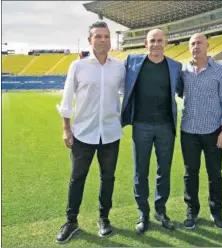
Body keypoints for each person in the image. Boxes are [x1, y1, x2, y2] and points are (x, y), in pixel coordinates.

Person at [55, 21, 125, 243]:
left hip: (111, 133)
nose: (103, 40)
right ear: (90, 40)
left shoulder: (120, 67)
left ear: (110, 39)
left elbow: (128, 93)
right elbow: (66, 100)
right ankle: (71, 221)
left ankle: (104, 219)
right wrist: (66, 129)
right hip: (83, 133)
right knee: (77, 178)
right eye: (98, 36)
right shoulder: (78, 66)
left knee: (108, 178)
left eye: (106, 36)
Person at [120, 29, 182, 234]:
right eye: (152, 41)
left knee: (163, 171)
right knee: (141, 172)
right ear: (146, 43)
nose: (156, 44)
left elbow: (185, 89)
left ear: (166, 43)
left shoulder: (175, 66)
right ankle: (143, 212)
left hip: (166, 126)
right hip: (141, 126)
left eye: (160, 41)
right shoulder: (132, 61)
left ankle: (160, 211)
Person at [178, 33, 222, 230]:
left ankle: (216, 211)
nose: (196, 46)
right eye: (192, 43)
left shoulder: (220, 71)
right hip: (188, 131)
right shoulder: (182, 70)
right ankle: (192, 211)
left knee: (215, 174)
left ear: (208, 46)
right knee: (190, 173)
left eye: (199, 43)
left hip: (214, 131)